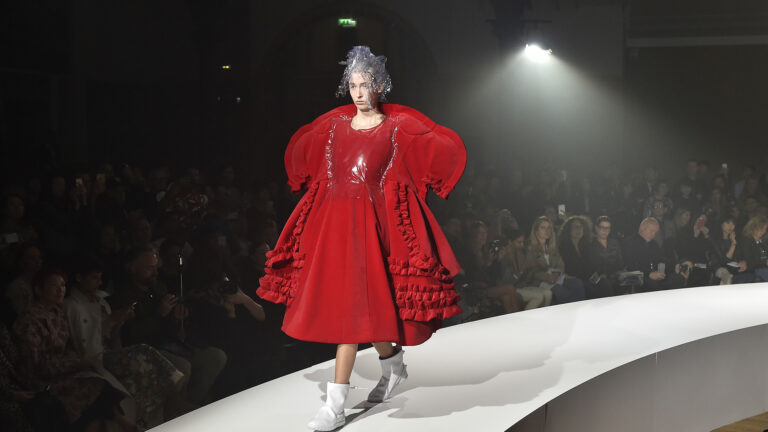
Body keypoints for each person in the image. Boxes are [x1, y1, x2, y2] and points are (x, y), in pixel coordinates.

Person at [255, 46, 466, 431]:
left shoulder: (396, 129)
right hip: (336, 228)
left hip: (372, 229)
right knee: (360, 313)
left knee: (352, 317)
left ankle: (335, 405)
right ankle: (393, 364)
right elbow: (314, 163)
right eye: (352, 85)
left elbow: (423, 152)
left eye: (365, 85)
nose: (358, 93)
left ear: (379, 86)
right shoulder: (334, 128)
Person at [525, 216, 585, 304]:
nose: (547, 231)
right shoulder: (530, 248)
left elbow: (560, 264)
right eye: (543, 228)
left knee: (577, 283)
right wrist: (550, 277)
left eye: (549, 228)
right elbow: (532, 271)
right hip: (541, 281)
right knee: (562, 292)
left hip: (556, 277)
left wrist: (557, 274)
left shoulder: (552, 247)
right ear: (536, 231)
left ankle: (580, 310)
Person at [621, 218, 688, 292]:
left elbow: (661, 260)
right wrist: (649, 274)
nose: (653, 235)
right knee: (653, 284)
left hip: (653, 275)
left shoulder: (654, 244)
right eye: (652, 231)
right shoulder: (629, 242)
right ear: (643, 228)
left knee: (679, 278)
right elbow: (630, 265)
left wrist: (675, 266)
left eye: (655, 232)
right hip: (632, 276)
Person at [587, 216, 625, 295]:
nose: (605, 231)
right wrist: (601, 276)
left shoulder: (614, 243)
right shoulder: (590, 246)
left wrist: (620, 271)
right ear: (596, 228)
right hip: (597, 278)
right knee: (605, 283)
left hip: (614, 275)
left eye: (607, 228)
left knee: (632, 279)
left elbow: (620, 262)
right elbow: (589, 268)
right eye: (602, 227)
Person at [741, 215, 768, 281]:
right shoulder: (747, 240)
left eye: (765, 229)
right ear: (753, 228)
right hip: (753, 270)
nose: (763, 231)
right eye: (761, 229)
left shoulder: (762, 241)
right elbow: (749, 260)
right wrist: (765, 262)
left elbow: (764, 255)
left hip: (763, 268)